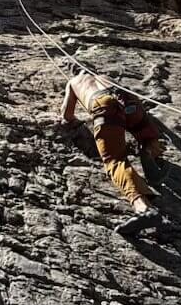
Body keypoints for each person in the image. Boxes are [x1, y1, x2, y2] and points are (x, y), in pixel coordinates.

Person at [60, 66, 167, 228]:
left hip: (103, 104)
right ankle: (150, 152)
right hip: (127, 99)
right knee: (145, 132)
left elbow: (67, 115)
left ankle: (144, 208)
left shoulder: (74, 81)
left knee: (115, 161)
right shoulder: (104, 76)